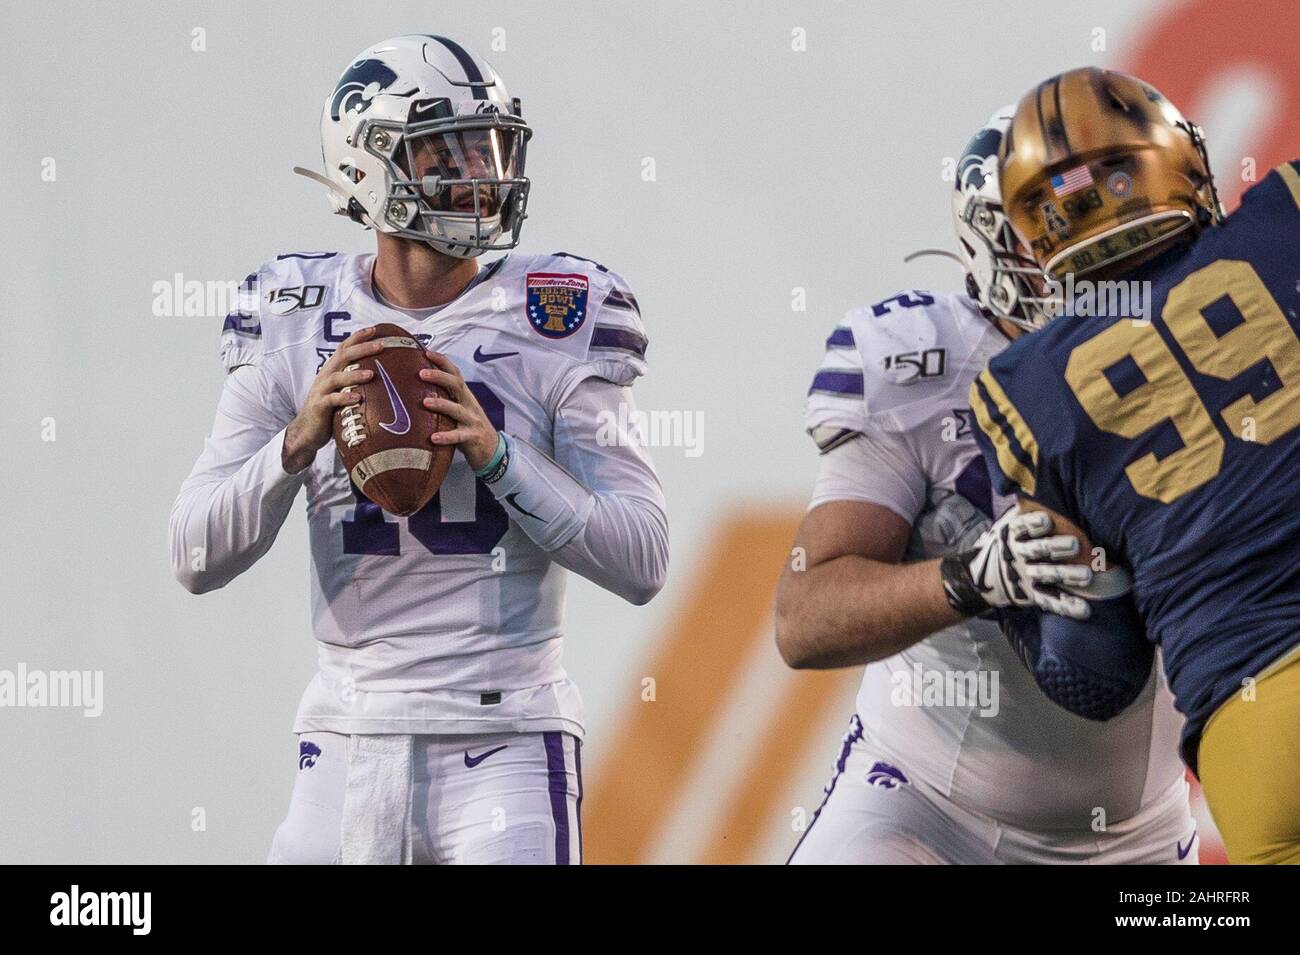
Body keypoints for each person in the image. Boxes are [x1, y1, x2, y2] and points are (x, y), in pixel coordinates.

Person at [169, 34, 668, 864]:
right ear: (368, 167)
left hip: (506, 732)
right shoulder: (292, 315)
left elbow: (643, 558)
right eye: (451, 150)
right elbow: (192, 552)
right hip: (344, 732)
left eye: (493, 146)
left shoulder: (557, 309)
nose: (484, 173)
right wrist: (295, 445)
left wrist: (500, 457)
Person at [775, 108, 1194, 865]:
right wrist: (970, 578)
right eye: (1061, 227)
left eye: (1117, 215)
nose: (1096, 254)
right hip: (926, 807)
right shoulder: (921, 364)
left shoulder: (1214, 344)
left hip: (1143, 834)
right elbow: (804, 618)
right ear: (997, 246)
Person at [971, 66, 1300, 864]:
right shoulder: (1285, 217)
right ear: (1172, 157)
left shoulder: (1020, 391)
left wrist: (1009, 600)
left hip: (1256, 732)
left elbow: (1101, 671)